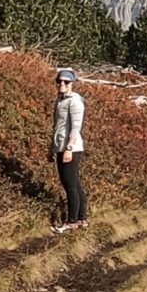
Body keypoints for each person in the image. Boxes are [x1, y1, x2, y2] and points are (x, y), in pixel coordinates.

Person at [51, 67, 88, 231]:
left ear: (72, 83)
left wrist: (69, 148)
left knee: (70, 185)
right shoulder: (60, 100)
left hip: (70, 148)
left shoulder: (75, 102)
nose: (62, 84)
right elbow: (56, 126)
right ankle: (81, 219)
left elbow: (75, 127)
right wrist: (51, 147)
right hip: (60, 146)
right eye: (59, 81)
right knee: (74, 184)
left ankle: (72, 221)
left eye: (66, 82)